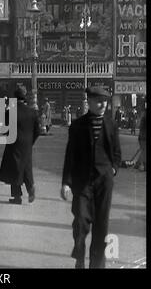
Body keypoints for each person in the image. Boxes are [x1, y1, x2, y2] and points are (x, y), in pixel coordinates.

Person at [61, 86, 121, 268]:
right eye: (98, 101)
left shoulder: (111, 125)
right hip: (82, 181)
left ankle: (97, 264)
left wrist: (114, 169)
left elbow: (117, 153)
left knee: (101, 225)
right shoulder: (78, 126)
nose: (103, 104)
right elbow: (70, 155)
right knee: (80, 221)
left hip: (104, 181)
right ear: (90, 102)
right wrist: (66, 183)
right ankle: (79, 255)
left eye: (105, 101)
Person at [0, 87, 40, 204]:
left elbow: (3, 129)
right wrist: (30, 141)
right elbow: (38, 130)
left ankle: (17, 197)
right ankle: (30, 187)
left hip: (13, 143)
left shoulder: (10, 111)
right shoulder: (32, 112)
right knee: (26, 167)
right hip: (26, 144)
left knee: (14, 169)